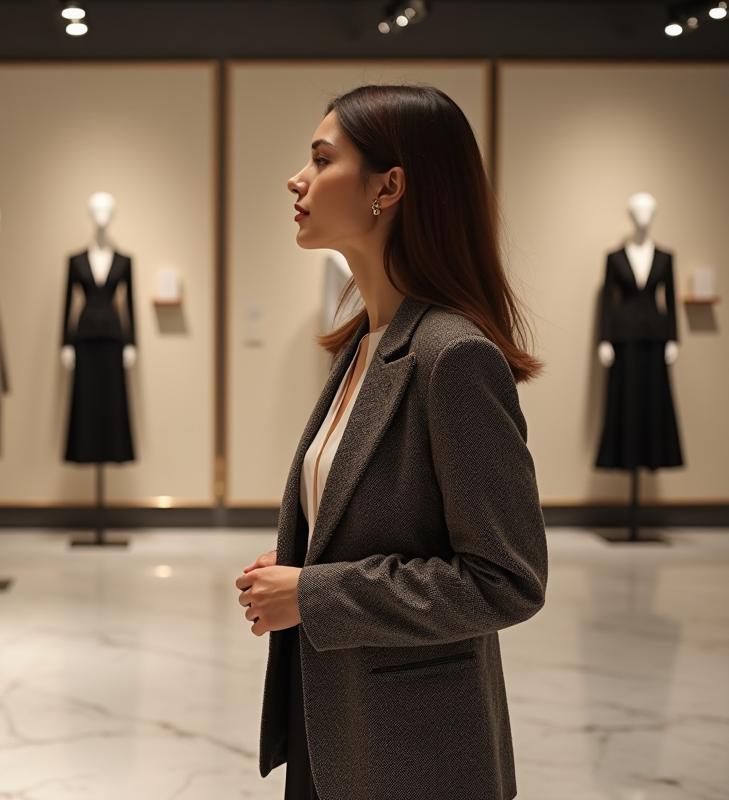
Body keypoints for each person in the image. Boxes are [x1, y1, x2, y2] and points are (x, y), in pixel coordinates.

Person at [235, 85, 548, 800]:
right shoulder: (365, 345)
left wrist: (314, 593)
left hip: (415, 753)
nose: (297, 178)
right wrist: (300, 560)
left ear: (389, 186)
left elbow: (508, 579)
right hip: (337, 728)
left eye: (320, 158)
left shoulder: (454, 357)